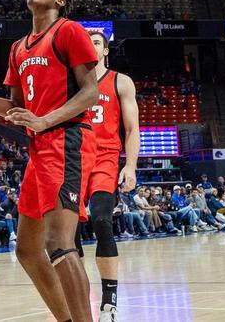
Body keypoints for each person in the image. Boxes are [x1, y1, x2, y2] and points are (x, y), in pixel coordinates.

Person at [0, 0, 101, 322]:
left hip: (68, 138)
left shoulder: (68, 30)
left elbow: (90, 91)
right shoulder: (18, 47)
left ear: (60, 0)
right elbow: (16, 108)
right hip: (40, 147)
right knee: (27, 250)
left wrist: (46, 120)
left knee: (59, 243)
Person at [78, 29, 140, 322]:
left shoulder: (120, 81)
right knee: (67, 231)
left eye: (96, 42)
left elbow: (131, 129)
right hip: (73, 159)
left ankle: (109, 303)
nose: (90, 46)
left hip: (105, 158)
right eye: (86, 42)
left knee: (102, 219)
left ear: (105, 50)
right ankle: (75, 298)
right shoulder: (72, 81)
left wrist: (130, 166)